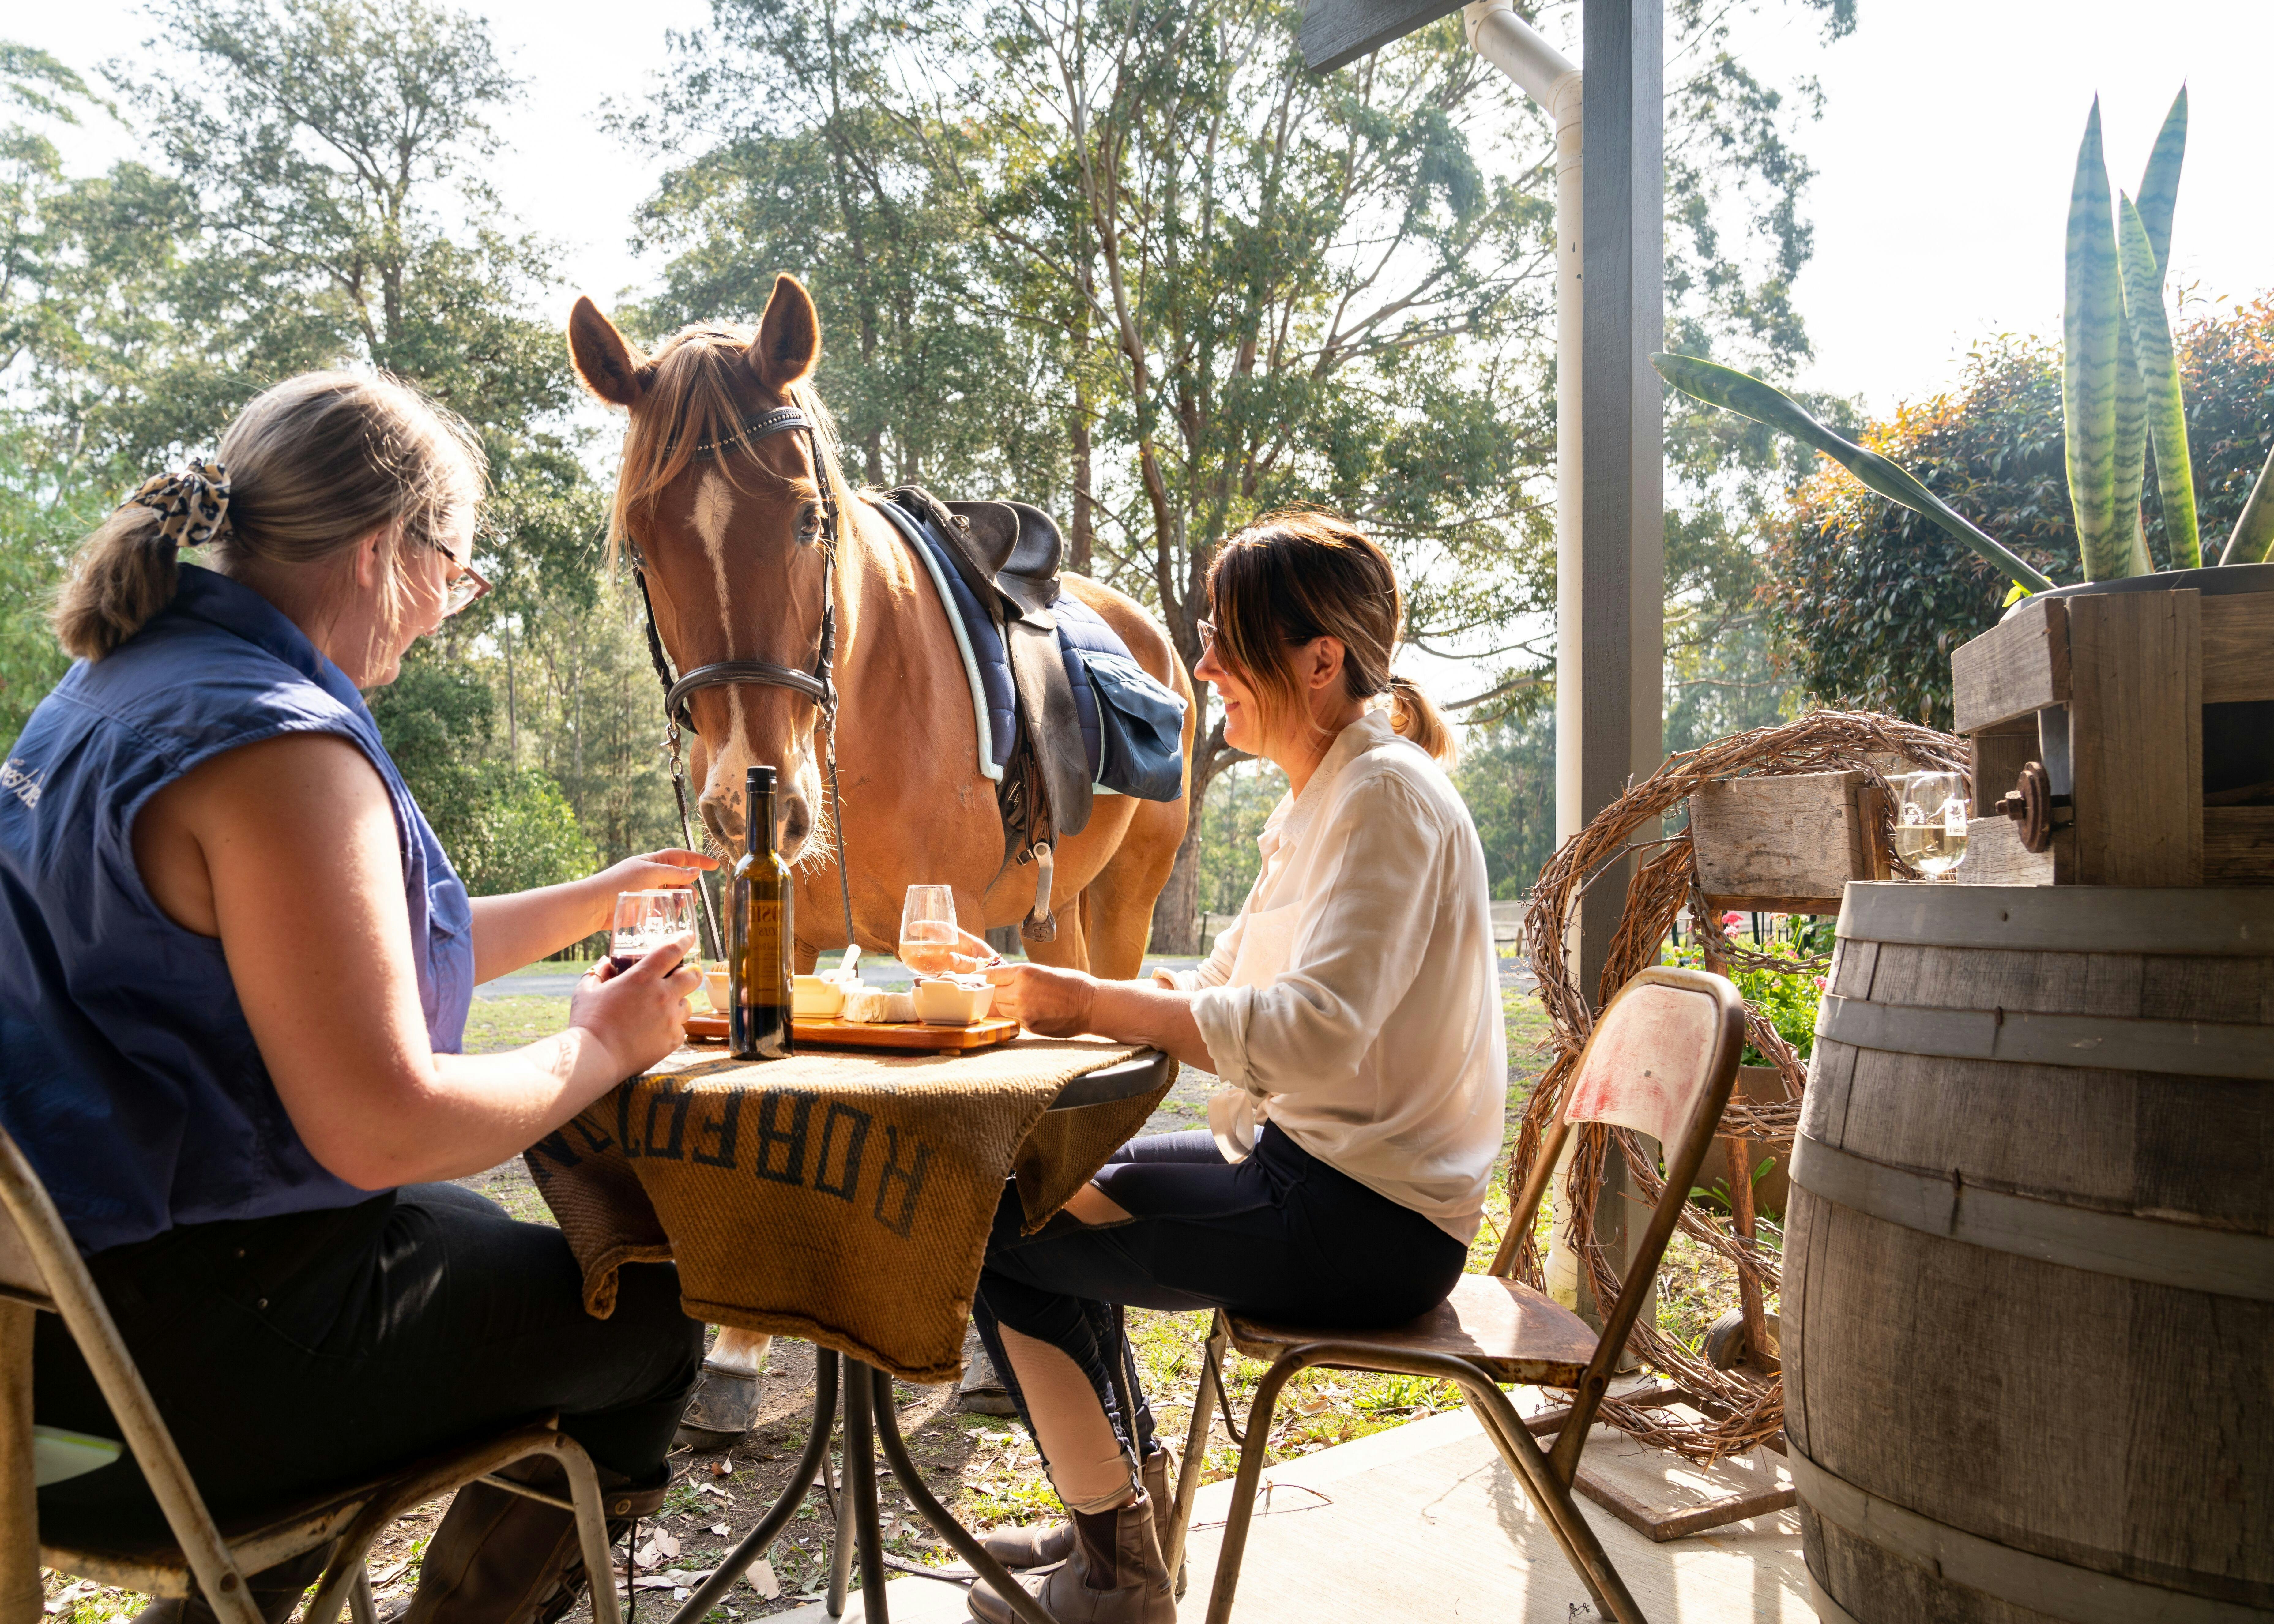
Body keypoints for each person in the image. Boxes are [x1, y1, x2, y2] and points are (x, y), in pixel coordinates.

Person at [0, 373, 712, 1624]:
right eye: (457, 574)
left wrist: (594, 898)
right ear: (387, 549)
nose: (445, 614)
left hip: (40, 1373)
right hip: (164, 1393)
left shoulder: (114, 691)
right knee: (651, 1317)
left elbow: (335, 963)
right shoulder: (279, 749)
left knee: (446, 1248)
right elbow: (383, 1124)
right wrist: (600, 1045)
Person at [974, 511, 1506, 1624]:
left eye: (1228, 640)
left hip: (1369, 1221)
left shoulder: (1384, 799)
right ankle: (1114, 1516)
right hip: (1314, 1173)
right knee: (1041, 1178)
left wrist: (1082, 999)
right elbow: (1210, 992)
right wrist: (1042, 1000)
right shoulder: (1326, 798)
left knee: (996, 1243)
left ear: (1321, 662)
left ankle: (1117, 1565)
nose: (1204, 662)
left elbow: (1309, 1031)